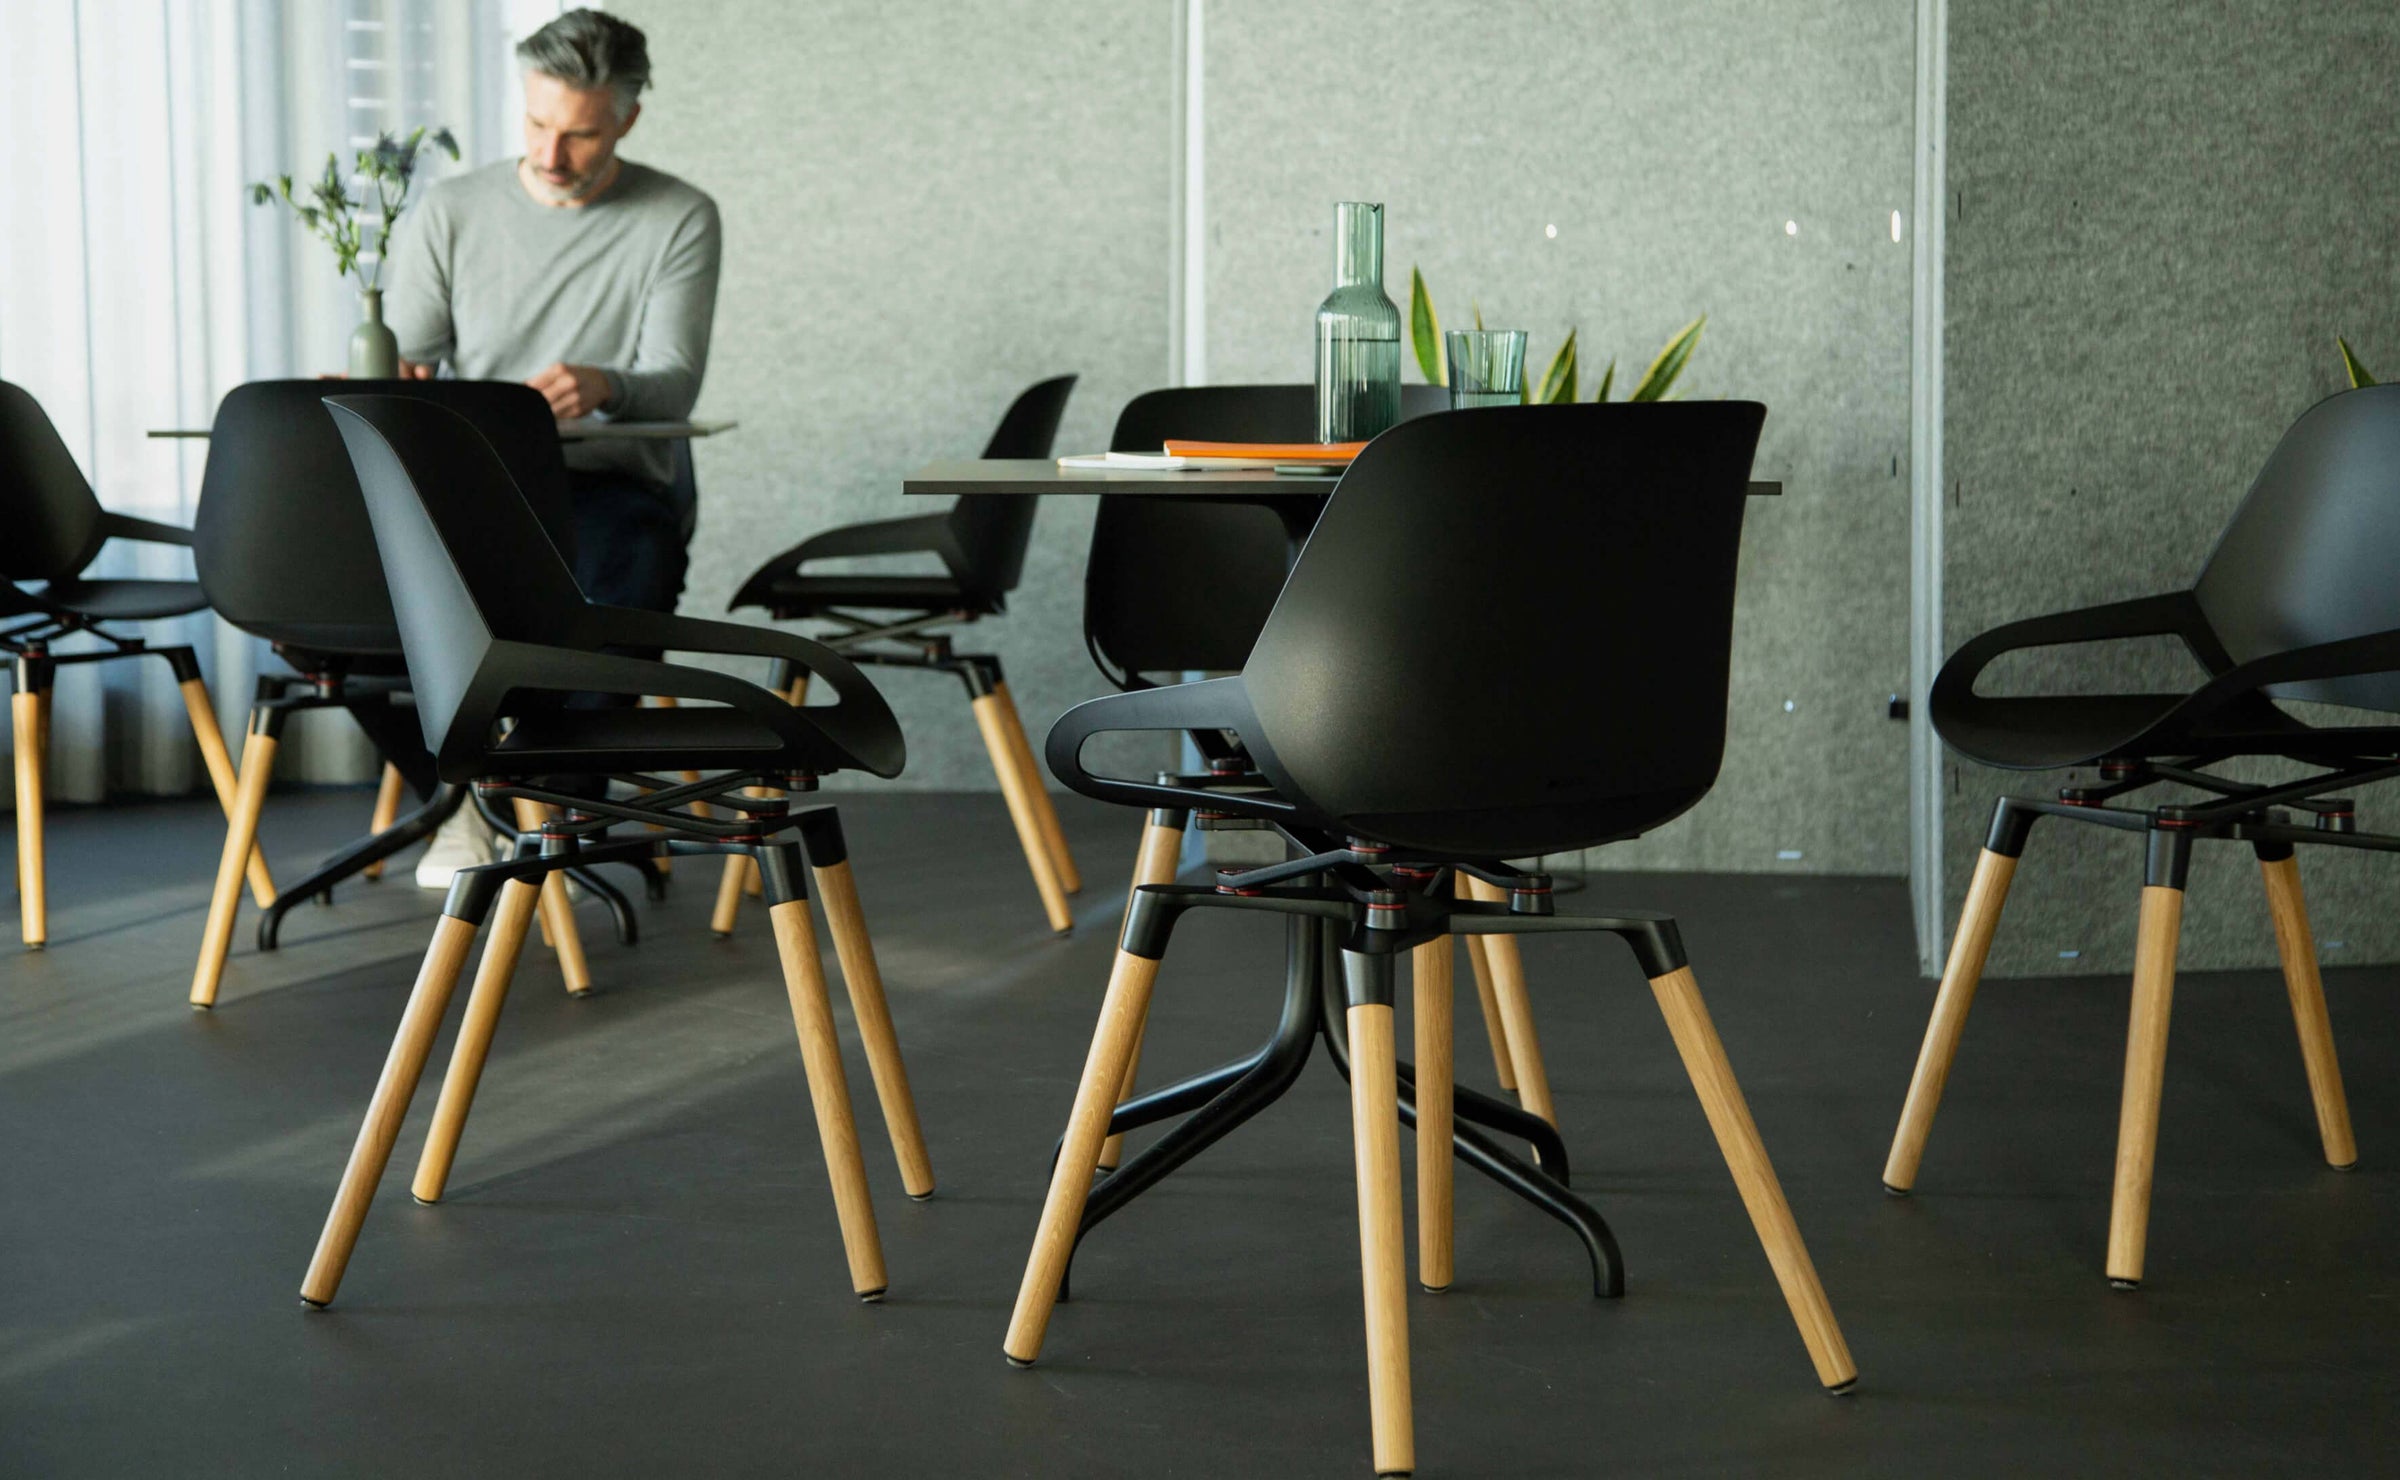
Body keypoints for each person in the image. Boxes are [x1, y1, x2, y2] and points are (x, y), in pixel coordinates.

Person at [382, 8, 722, 886]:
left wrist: (607, 384)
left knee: (623, 575)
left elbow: (675, 382)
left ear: (627, 120)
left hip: (601, 485)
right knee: (344, 594)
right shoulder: (452, 210)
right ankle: (469, 800)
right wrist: (402, 382)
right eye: (536, 124)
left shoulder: (678, 216)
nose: (550, 154)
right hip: (476, 483)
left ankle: (565, 816)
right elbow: (405, 356)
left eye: (579, 134)